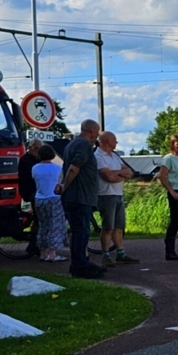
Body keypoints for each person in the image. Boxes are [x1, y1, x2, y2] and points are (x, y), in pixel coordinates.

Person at [58, 119, 104, 278]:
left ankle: (80, 262)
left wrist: (61, 185)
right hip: (80, 196)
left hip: (73, 197)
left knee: (77, 232)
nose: (97, 135)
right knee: (81, 232)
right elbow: (73, 168)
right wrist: (65, 186)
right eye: (97, 131)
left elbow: (65, 168)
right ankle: (80, 265)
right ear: (91, 130)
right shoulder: (84, 145)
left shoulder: (71, 144)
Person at [95, 131, 140, 266]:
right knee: (108, 226)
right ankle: (105, 255)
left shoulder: (114, 155)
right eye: (115, 140)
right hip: (106, 195)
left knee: (119, 226)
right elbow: (108, 177)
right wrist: (121, 174)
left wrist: (117, 174)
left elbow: (129, 172)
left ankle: (121, 253)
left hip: (118, 194)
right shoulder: (98, 156)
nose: (116, 143)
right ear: (108, 141)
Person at [31, 144, 66, 262]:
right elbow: (61, 181)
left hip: (39, 198)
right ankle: (52, 254)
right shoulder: (58, 168)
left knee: (43, 225)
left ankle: (43, 252)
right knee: (54, 226)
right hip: (54, 198)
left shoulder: (35, 168)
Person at [16, 138, 42, 257]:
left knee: (38, 217)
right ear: (30, 147)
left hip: (37, 190)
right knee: (38, 217)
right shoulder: (26, 160)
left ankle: (35, 244)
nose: (38, 150)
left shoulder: (38, 159)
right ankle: (33, 244)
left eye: (40, 148)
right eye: (36, 148)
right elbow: (31, 176)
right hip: (31, 191)